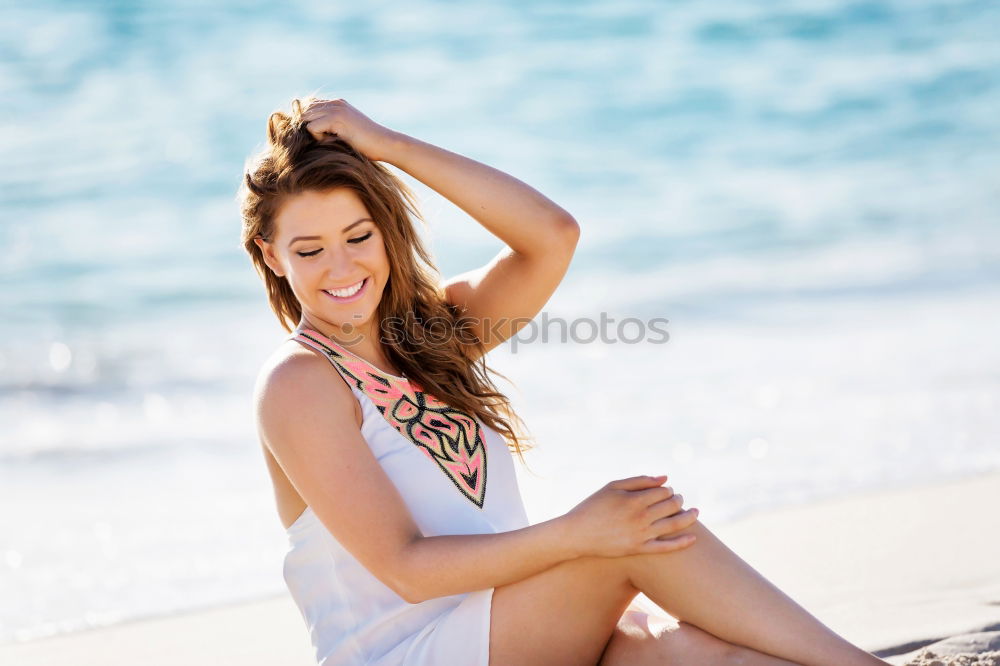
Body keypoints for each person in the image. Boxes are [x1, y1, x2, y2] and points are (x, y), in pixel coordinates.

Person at [238, 96, 890, 665]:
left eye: (359, 235)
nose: (342, 266)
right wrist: (579, 534)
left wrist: (393, 147)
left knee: (702, 654)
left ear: (388, 233)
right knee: (636, 532)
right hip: (408, 653)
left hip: (515, 630)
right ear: (271, 254)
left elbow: (551, 235)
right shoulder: (299, 383)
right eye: (309, 249)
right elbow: (407, 569)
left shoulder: (435, 340)